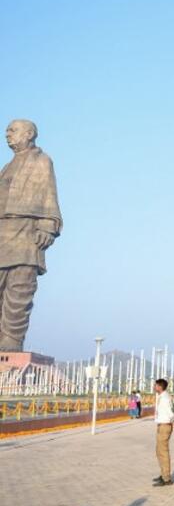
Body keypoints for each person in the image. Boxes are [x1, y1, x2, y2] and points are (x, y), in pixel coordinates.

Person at [0, 120, 62, 351]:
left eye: (12, 130)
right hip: (2, 232)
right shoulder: (7, 166)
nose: (7, 134)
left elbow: (48, 193)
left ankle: (11, 343)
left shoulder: (41, 161)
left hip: (26, 231)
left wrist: (47, 225)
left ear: (29, 134)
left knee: (20, 288)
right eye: (7, 130)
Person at [153, 378, 174, 487]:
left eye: (156, 385)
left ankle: (166, 478)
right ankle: (163, 473)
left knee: (163, 452)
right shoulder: (163, 396)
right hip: (162, 425)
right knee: (159, 451)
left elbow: (170, 412)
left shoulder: (164, 398)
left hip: (165, 426)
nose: (154, 387)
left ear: (160, 387)